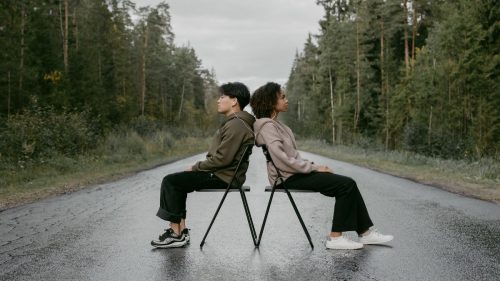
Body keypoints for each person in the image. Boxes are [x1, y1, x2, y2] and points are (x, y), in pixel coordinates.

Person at [250, 82, 393, 250]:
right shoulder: (267, 126)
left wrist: (314, 165)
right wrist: (314, 168)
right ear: (270, 102)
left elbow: (293, 157)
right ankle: (336, 238)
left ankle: (365, 233)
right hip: (285, 178)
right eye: (282, 97)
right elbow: (282, 160)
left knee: (347, 183)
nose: (287, 100)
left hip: (292, 174)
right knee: (345, 185)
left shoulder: (280, 126)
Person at [151, 82, 255, 248]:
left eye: (222, 97)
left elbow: (222, 159)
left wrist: (196, 166)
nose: (218, 100)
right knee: (179, 181)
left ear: (234, 101)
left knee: (171, 181)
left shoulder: (236, 124)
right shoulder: (237, 122)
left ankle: (175, 234)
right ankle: (180, 232)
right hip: (226, 174)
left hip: (223, 176)